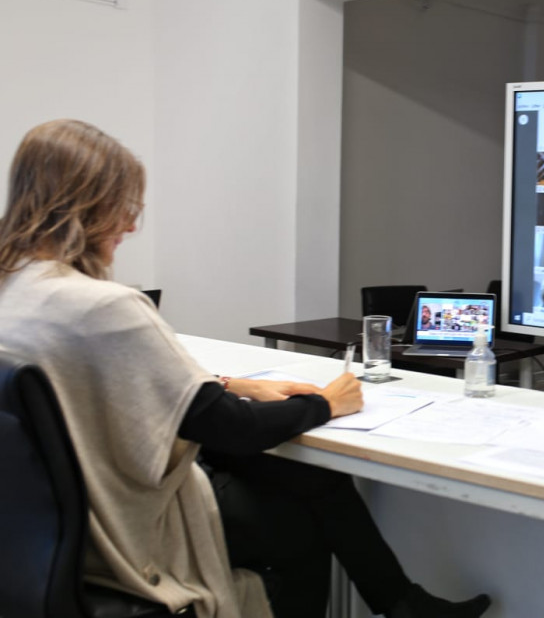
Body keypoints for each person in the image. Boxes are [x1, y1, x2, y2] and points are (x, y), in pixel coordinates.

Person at [0, 119, 491, 618]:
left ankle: (402, 603)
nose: (129, 227)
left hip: (39, 522)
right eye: (124, 209)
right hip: (122, 521)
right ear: (86, 207)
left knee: (313, 480)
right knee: (302, 519)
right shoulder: (105, 307)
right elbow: (230, 429)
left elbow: (95, 388)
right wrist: (325, 402)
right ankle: (401, 602)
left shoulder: (13, 290)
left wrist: (235, 385)